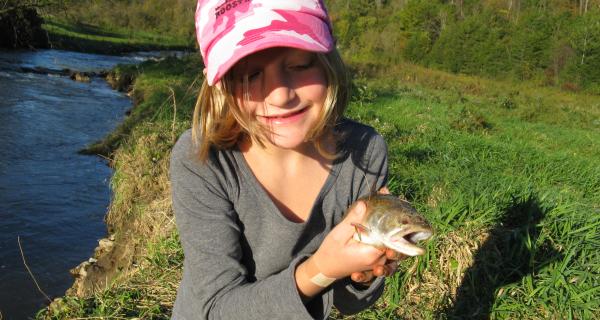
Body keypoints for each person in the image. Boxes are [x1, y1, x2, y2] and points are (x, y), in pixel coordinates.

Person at [170, 1, 404, 319]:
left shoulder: (365, 152)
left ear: (327, 60)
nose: (280, 95)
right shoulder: (202, 159)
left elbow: (350, 304)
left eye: (299, 65)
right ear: (221, 85)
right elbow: (217, 308)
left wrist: (368, 265)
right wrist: (321, 269)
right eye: (250, 74)